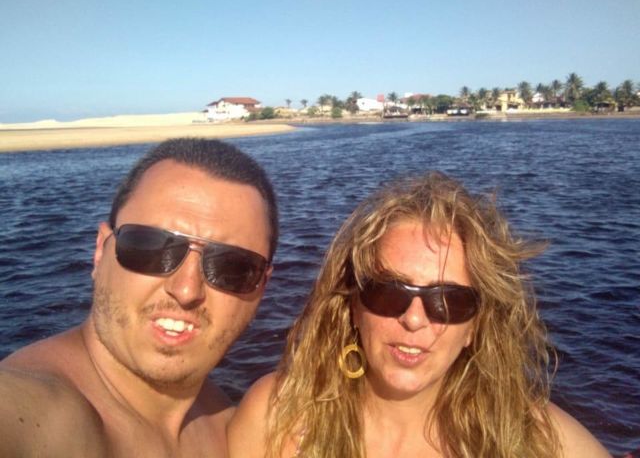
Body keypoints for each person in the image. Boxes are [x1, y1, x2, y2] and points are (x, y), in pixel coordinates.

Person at [228, 171, 611, 458]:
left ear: (476, 326)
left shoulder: (535, 439)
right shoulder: (277, 416)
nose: (414, 319)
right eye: (388, 292)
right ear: (354, 306)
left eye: (449, 301)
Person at [0, 137, 278, 457]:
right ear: (100, 251)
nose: (186, 290)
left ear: (262, 286)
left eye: (232, 266)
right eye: (150, 247)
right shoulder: (38, 408)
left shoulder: (230, 426)